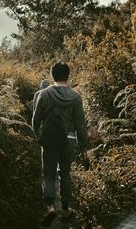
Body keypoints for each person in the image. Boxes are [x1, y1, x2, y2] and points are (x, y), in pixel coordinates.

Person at [32, 62, 88, 226]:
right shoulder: (76, 97)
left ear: (52, 75)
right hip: (69, 140)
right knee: (65, 173)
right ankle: (65, 209)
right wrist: (83, 145)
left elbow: (36, 119)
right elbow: (80, 124)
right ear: (68, 75)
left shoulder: (44, 93)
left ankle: (50, 207)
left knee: (48, 174)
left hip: (50, 139)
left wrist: (38, 137)